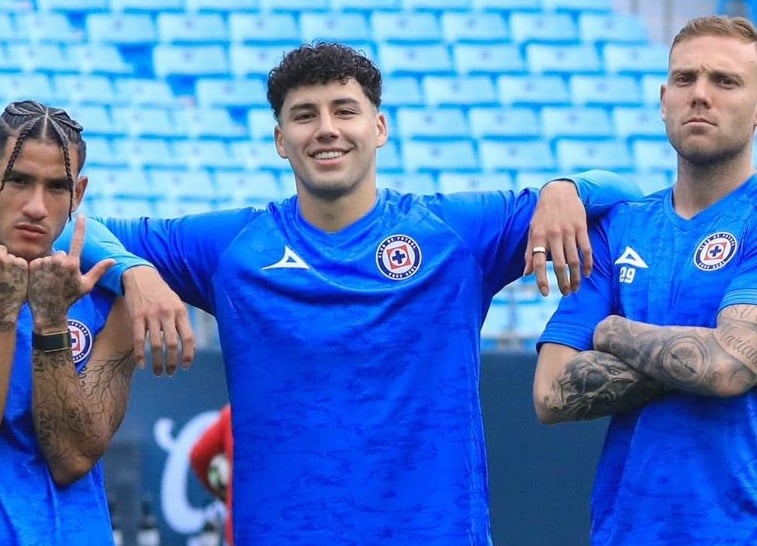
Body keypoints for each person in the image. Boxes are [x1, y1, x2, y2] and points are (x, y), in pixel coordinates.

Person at [83, 43, 642, 545]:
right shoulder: (230, 246)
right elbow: (67, 225)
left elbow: (630, 191)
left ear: (379, 127)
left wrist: (568, 188)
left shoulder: (455, 233)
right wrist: (134, 271)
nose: (326, 128)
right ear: (281, 140)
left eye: (344, 110)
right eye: (305, 116)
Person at [533, 15, 757, 546]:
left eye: (725, 82)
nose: (700, 95)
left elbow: (729, 367)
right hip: (625, 530)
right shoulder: (620, 227)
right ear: (663, 99)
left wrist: (612, 332)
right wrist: (698, 352)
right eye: (685, 79)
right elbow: (550, 392)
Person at [0, 100, 139, 544]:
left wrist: (51, 321)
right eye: (19, 181)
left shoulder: (110, 298)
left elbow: (72, 458)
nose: (37, 207)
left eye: (56, 187)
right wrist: (6, 311)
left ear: (78, 194)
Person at [190, 403, 234, 546]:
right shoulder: (300, 409)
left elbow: (200, 455)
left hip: (242, 531)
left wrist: (226, 494)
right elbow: (200, 455)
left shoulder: (235, 412)